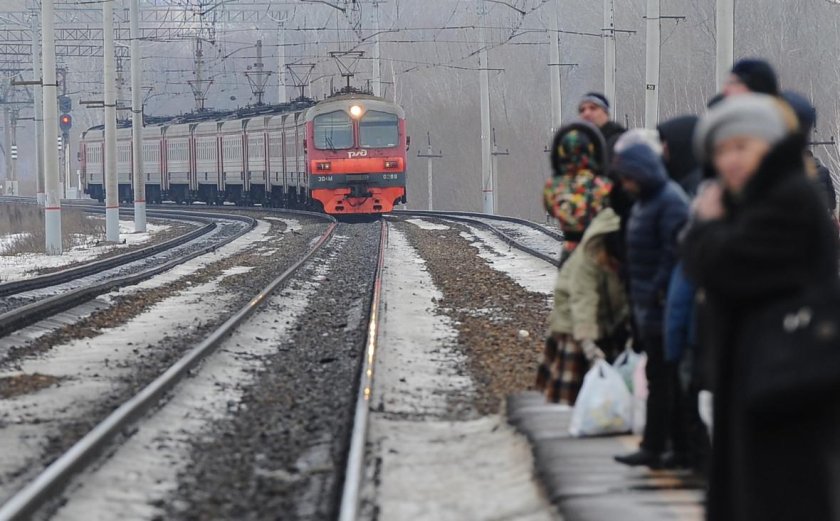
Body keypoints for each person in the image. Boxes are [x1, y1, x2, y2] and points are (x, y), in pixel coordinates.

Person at [684, 94, 840, 520]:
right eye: (721, 150)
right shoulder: (758, 198)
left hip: (791, 381)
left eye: (742, 147)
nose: (730, 159)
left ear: (770, 145)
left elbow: (721, 267)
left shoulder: (788, 197)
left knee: (782, 495)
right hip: (765, 375)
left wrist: (706, 225)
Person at [610, 142, 690, 468]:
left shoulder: (668, 201)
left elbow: (673, 254)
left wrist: (656, 291)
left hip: (662, 305)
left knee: (667, 380)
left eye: (628, 178)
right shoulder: (646, 201)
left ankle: (668, 448)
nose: (625, 185)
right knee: (660, 379)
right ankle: (660, 446)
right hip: (648, 305)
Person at [537, 208, 629, 404]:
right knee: (572, 383)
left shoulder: (625, 250)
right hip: (572, 314)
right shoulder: (589, 258)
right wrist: (588, 342)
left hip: (605, 315)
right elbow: (583, 301)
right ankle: (571, 415)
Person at [658, 115, 702, 196]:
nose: (663, 146)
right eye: (662, 141)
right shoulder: (673, 177)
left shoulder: (696, 188)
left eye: (666, 141)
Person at [577, 92, 626, 157]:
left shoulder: (622, 142)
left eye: (593, 108)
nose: (586, 113)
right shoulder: (575, 144)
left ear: (606, 113)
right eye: (582, 110)